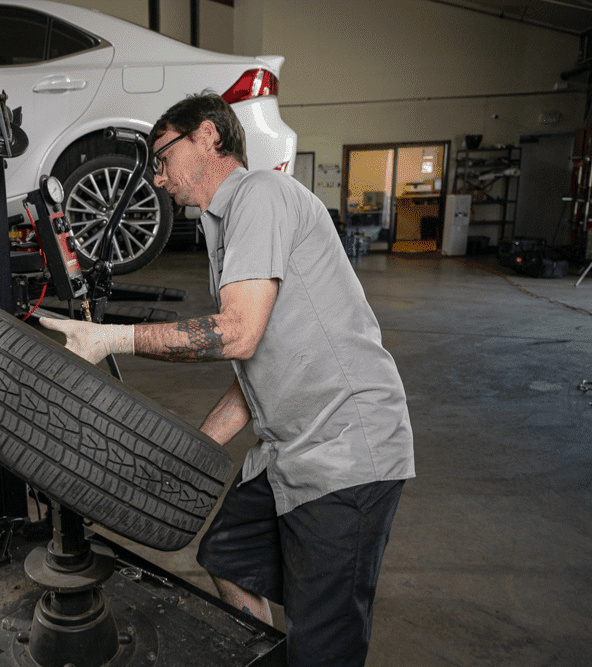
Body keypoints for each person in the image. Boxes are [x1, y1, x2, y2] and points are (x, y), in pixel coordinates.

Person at [40, 93, 414, 666]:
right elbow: (254, 365)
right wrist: (190, 451)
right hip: (290, 449)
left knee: (322, 642)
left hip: (345, 452)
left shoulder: (260, 195)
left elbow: (235, 334)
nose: (158, 178)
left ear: (209, 136)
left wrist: (108, 337)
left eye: (162, 156)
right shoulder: (225, 227)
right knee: (227, 559)